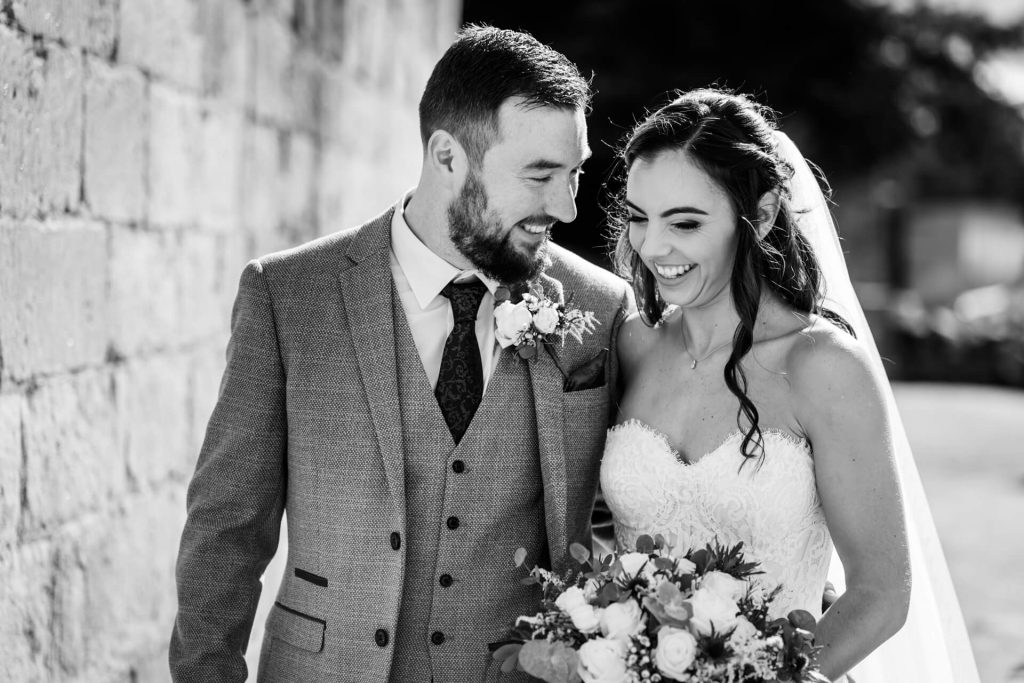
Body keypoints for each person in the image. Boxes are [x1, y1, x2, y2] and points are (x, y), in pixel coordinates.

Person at [169, 26, 633, 683]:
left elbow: (619, 517)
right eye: (540, 175)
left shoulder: (601, 309)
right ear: (447, 157)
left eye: (575, 173)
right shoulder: (289, 295)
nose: (565, 204)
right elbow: (227, 529)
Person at [601, 88, 979, 680]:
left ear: (766, 212)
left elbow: (881, 593)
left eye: (686, 222)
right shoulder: (631, 345)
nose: (653, 247)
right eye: (639, 217)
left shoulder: (825, 368)